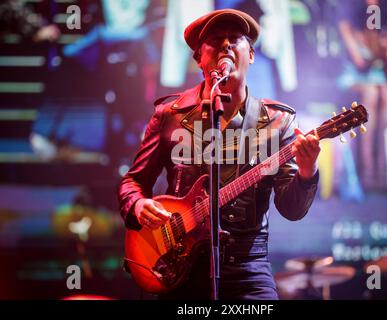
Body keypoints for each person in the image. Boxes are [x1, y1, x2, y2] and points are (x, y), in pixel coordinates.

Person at [118, 8, 321, 300]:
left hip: (247, 269)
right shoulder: (170, 115)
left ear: (250, 55)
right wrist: (137, 205)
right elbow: (132, 182)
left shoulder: (278, 122)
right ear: (199, 58)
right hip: (180, 266)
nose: (225, 44)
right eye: (215, 40)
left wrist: (307, 170)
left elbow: (291, 209)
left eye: (235, 39)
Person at [337, 0, 387, 191]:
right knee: (372, 92)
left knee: (386, 91)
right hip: (352, 79)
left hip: (377, 79)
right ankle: (368, 170)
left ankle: (383, 170)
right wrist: (375, 45)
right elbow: (360, 63)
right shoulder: (348, 26)